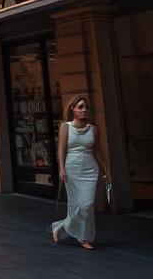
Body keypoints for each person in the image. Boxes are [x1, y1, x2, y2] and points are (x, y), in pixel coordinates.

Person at [52, 95, 108, 250]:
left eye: (86, 107)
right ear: (73, 109)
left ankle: (64, 228)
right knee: (78, 205)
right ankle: (82, 238)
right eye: (80, 107)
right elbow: (61, 150)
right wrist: (62, 169)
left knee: (88, 205)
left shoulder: (93, 129)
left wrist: (105, 170)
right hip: (72, 170)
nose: (84, 110)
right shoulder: (65, 126)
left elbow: (97, 151)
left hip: (90, 170)